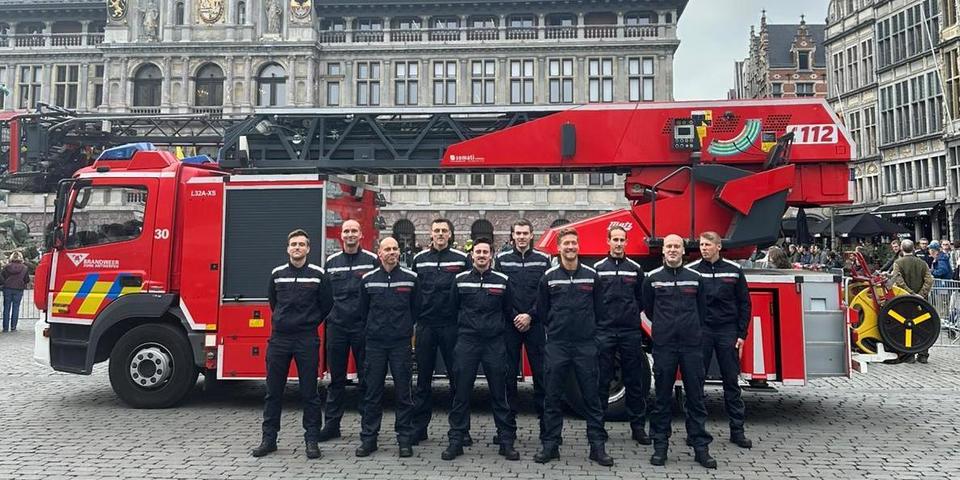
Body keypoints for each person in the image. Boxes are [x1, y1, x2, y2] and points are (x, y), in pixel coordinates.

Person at [531, 227, 613, 466]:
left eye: (573, 244)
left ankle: (597, 447)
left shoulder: (591, 275)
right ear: (558, 248)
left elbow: (601, 311)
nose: (570, 248)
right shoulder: (548, 277)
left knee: (592, 398)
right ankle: (550, 446)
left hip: (585, 346)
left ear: (579, 246)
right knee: (552, 397)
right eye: (566, 244)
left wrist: (592, 338)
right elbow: (543, 311)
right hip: (557, 345)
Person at [252, 230, 334, 459]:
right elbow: (273, 302)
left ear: (308, 249)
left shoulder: (319, 275)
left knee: (310, 392)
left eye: (301, 244)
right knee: (273, 391)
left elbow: (326, 304)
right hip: (280, 339)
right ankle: (269, 440)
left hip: (306, 338)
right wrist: (283, 322)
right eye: (293, 244)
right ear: (287, 249)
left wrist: (309, 322)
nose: (297, 248)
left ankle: (312, 440)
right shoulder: (277, 274)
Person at [642, 234, 716, 469]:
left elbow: (702, 311)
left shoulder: (696, 279)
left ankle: (700, 448)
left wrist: (690, 330)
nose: (673, 250)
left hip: (692, 346)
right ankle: (660, 447)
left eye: (677, 247)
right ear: (662, 251)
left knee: (695, 398)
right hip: (664, 346)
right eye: (669, 247)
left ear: (683, 251)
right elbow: (649, 309)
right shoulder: (652, 279)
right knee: (662, 398)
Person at [442, 238, 519, 461]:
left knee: (499, 393)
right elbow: (452, 309)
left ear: (492, 255)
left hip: (494, 343)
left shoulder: (503, 281)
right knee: (461, 393)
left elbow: (508, 310)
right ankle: (456, 441)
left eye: (486, 252)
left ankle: (506, 442)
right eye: (478, 252)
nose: (482, 255)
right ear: (472, 255)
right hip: (467, 342)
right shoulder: (459, 280)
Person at [688, 232, 753, 450]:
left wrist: (741, 334)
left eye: (707, 245)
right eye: (701, 245)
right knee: (696, 383)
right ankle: (694, 432)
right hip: (703, 332)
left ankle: (737, 431)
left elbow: (745, 303)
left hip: (727, 331)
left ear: (718, 246)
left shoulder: (734, 271)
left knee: (731, 383)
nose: (703, 248)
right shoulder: (693, 271)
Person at [356, 237, 419, 458]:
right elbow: (363, 312)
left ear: (399, 252)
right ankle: (369, 439)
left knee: (404, 393)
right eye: (387, 249)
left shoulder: (411, 279)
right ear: (379, 253)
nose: (392, 252)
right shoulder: (368, 280)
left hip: (400, 344)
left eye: (395, 249)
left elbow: (416, 309)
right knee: (372, 393)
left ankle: (404, 439)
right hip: (375, 344)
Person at [410, 218, 471, 445]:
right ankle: (419, 428)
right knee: (423, 379)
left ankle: (461, 430)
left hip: (451, 326)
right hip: (426, 326)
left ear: (450, 234)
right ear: (430, 234)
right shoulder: (419, 260)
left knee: (458, 379)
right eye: (436, 230)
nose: (440, 234)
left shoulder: (462, 259)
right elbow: (414, 292)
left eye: (444, 230)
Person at [318, 220, 381, 442]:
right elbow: (324, 295)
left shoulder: (372, 261)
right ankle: (332, 425)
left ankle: (368, 427)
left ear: (361, 235)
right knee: (336, 379)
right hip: (337, 327)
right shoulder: (331, 263)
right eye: (346, 231)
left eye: (354, 230)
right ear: (341, 235)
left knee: (367, 378)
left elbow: (377, 292)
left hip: (363, 327)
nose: (350, 234)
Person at [494, 219, 551, 446]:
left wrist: (531, 316)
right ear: (512, 235)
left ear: (531, 235)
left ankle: (547, 429)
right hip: (511, 324)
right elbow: (499, 292)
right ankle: (507, 430)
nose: (521, 237)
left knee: (541, 377)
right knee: (507, 377)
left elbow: (546, 294)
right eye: (517, 233)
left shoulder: (543, 259)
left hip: (535, 325)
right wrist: (516, 315)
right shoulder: (502, 260)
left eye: (525, 233)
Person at [592, 225, 650, 445]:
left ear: (626, 242)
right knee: (602, 381)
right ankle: (598, 428)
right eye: (614, 239)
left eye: (621, 240)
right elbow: (594, 300)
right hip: (605, 331)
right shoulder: (598, 268)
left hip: (629, 332)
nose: (618, 243)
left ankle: (638, 428)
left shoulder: (635, 269)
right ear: (608, 241)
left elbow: (642, 299)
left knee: (634, 382)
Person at [886, 239, 934, 365]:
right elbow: (929, 280)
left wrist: (911, 294)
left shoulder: (898, 263)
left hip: (905, 301)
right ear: (913, 249)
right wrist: (920, 295)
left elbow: (899, 281)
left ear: (901, 249)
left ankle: (909, 354)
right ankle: (923, 354)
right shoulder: (922, 263)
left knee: (906, 326)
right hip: (922, 301)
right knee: (924, 325)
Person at [2, 251, 29, 333]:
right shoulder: (24, 268)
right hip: (18, 289)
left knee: (6, 308)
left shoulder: (6, 267)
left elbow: (1, 276)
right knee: (16, 308)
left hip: (7, 288)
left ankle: (5, 328)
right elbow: (27, 279)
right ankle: (13, 327)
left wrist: (4, 283)